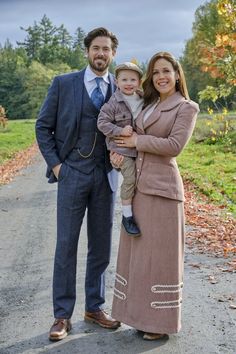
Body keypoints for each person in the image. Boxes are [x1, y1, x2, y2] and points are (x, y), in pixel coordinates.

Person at [35, 27, 121, 342]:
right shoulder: (63, 84)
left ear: (113, 54)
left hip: (105, 177)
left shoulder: (121, 88)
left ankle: (94, 308)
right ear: (87, 51)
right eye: (96, 48)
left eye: (106, 49)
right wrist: (57, 166)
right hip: (71, 173)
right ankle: (61, 315)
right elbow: (43, 126)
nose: (101, 54)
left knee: (100, 247)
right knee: (66, 246)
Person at [111, 52, 199, 340]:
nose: (161, 76)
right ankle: (136, 316)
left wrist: (138, 141)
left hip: (163, 190)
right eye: (156, 72)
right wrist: (120, 152)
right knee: (137, 255)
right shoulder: (147, 103)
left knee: (159, 258)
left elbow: (174, 145)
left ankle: (159, 324)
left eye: (166, 71)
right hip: (137, 187)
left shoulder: (187, 107)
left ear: (176, 74)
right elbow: (130, 137)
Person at [97, 62, 144, 237]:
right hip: (121, 150)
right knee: (130, 177)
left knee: (142, 179)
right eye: (124, 79)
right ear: (117, 82)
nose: (129, 83)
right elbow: (101, 123)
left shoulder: (142, 99)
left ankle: (140, 210)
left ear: (139, 82)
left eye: (133, 79)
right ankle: (127, 216)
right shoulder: (113, 103)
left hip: (139, 148)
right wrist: (120, 131)